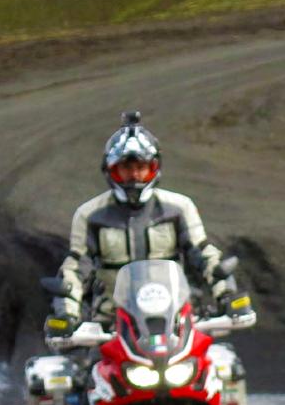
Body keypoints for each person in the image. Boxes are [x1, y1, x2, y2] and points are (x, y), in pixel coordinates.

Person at [44, 110, 253, 340]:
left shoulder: (179, 207)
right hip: (112, 325)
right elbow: (76, 267)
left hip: (177, 322)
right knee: (93, 372)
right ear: (110, 170)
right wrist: (66, 313)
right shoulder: (90, 215)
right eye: (125, 168)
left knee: (221, 368)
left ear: (154, 168)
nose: (134, 175)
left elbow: (203, 254)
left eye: (141, 167)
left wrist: (228, 294)